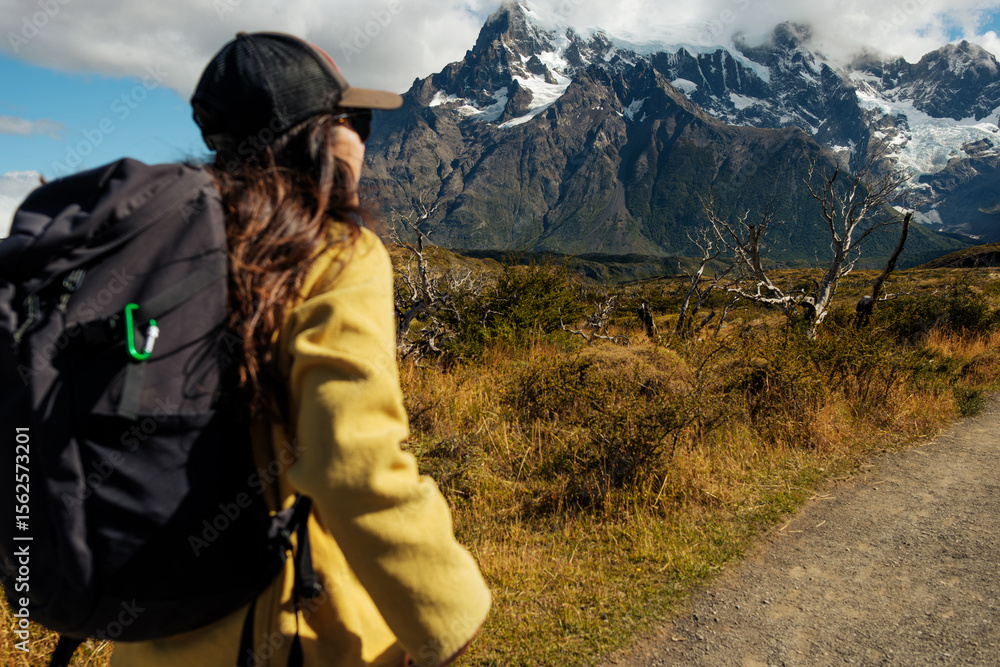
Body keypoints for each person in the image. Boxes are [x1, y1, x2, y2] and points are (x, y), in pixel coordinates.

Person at [110, 32, 491, 667]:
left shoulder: (156, 243)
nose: (363, 140)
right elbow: (352, 461)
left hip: (154, 636)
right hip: (288, 628)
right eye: (354, 121)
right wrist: (447, 613)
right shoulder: (334, 253)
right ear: (318, 134)